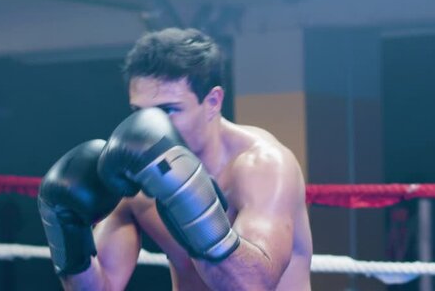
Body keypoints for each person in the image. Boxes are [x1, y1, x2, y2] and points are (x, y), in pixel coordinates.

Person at [38, 28, 312, 290]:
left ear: (213, 101)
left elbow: (254, 285)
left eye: (168, 109)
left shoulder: (263, 166)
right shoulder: (136, 177)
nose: (151, 124)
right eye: (139, 112)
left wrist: (190, 200)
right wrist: (70, 242)